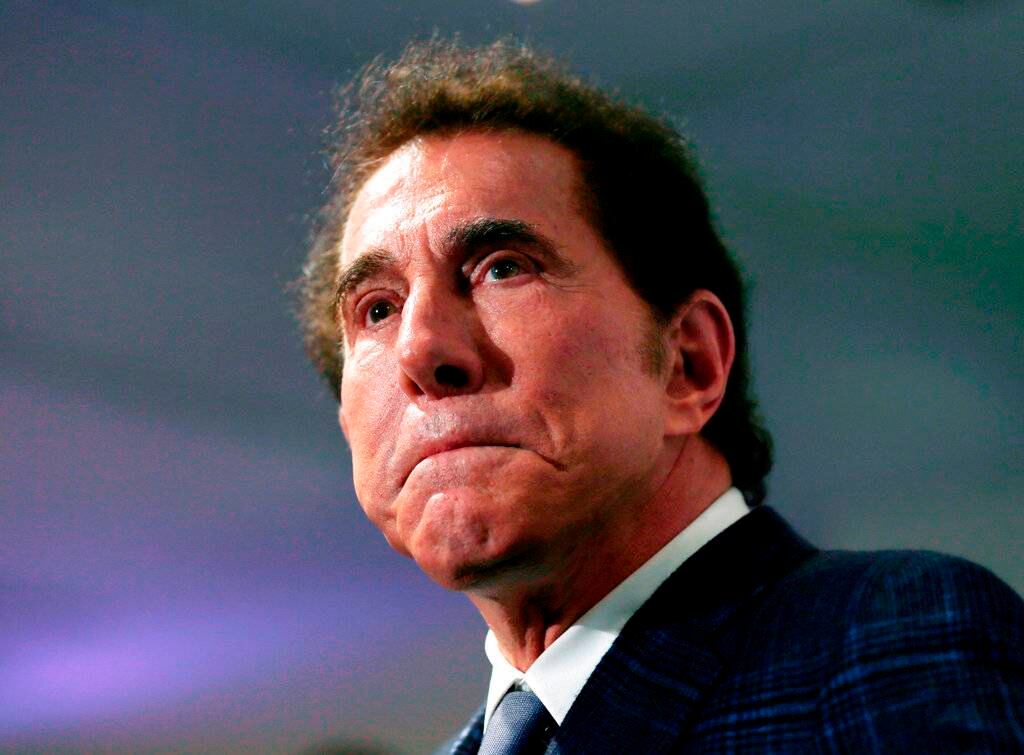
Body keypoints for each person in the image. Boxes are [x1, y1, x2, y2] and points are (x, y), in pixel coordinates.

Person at [297, 39, 1024, 753]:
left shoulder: (891, 642)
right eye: (377, 309)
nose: (420, 350)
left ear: (688, 364)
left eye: (503, 268)